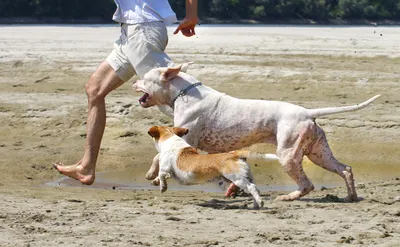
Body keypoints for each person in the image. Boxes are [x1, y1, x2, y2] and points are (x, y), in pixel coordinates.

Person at [53, 0, 198, 185]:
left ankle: (226, 164)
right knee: (94, 90)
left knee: (181, 102)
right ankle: (86, 167)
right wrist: (191, 15)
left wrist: (192, 15)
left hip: (143, 31)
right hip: (131, 33)